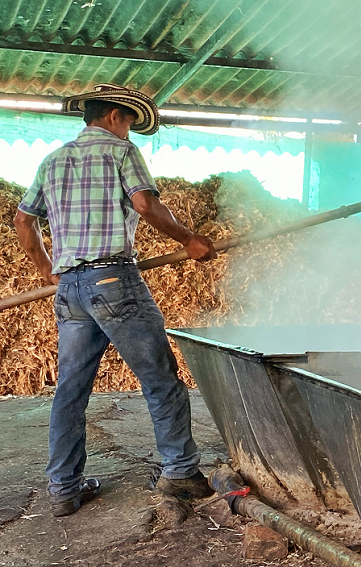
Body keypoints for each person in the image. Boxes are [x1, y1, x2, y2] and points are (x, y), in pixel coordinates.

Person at [14, 84, 218, 517]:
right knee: (160, 378)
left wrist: (49, 269)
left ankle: (64, 489)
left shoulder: (52, 161)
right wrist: (189, 239)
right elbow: (143, 203)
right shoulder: (120, 153)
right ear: (113, 117)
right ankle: (181, 472)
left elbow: (23, 221)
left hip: (70, 290)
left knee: (70, 390)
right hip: (114, 280)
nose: (129, 132)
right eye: (128, 123)